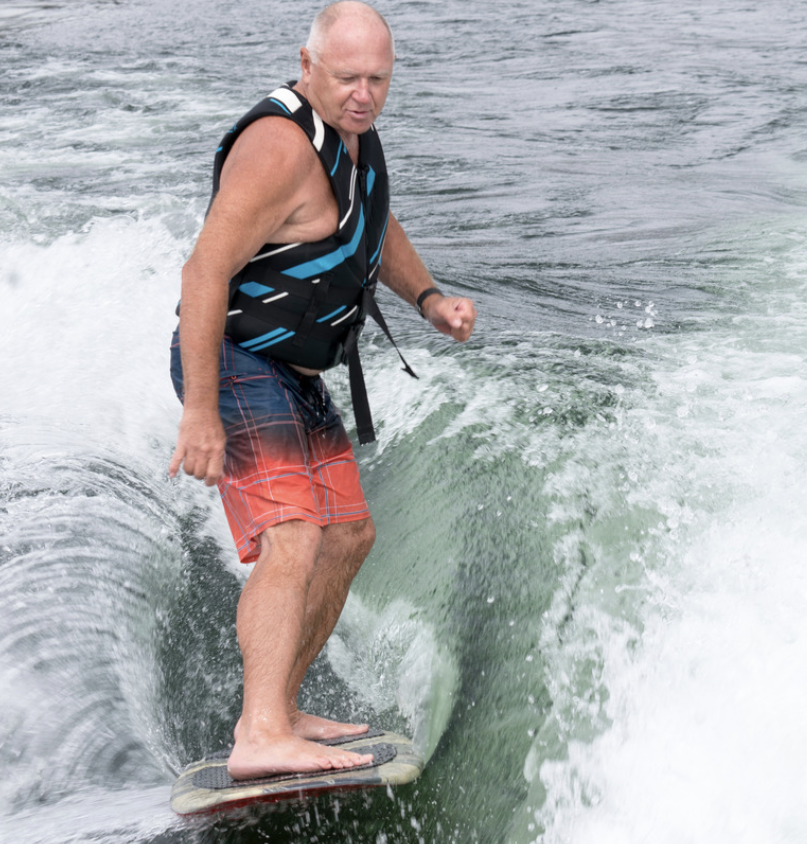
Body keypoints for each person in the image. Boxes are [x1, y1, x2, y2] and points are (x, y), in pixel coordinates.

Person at [167, 1, 476, 781]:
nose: (364, 94)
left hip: (294, 375)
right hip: (238, 363)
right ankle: (261, 733)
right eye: (347, 78)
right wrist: (200, 412)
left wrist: (430, 299)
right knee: (294, 536)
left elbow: (374, 223)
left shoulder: (354, 140)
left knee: (347, 537)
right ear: (308, 67)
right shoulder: (277, 147)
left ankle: (281, 708)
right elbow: (203, 272)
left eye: (378, 79)